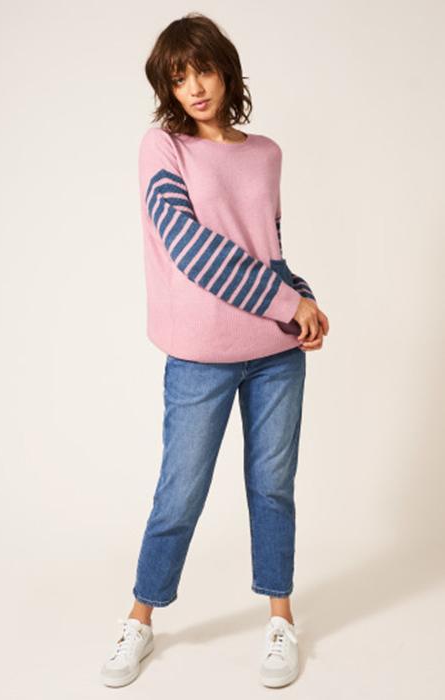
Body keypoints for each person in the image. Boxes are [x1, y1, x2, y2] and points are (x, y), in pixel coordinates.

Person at [100, 11, 329, 690]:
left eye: (203, 70)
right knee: (179, 493)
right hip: (200, 354)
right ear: (167, 89)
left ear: (226, 71)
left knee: (272, 488)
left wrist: (303, 300)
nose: (194, 88)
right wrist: (287, 302)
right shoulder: (163, 149)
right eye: (178, 78)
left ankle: (281, 621)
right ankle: (140, 620)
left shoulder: (266, 153)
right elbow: (191, 249)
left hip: (277, 353)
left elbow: (267, 250)